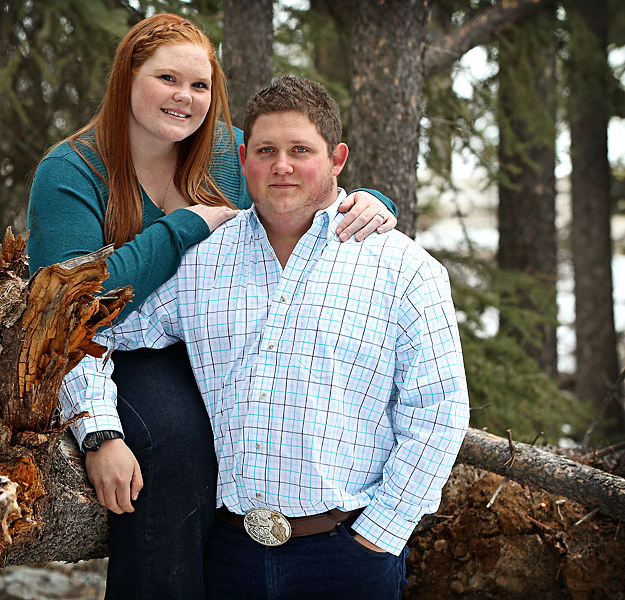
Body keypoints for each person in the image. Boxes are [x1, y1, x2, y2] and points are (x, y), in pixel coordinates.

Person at [28, 14, 399, 599]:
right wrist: (182, 229)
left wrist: (372, 202)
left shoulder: (227, 150)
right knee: (178, 445)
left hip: (216, 338)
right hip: (109, 348)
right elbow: (69, 302)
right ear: (127, 78)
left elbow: (305, 179)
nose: (185, 98)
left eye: (199, 86)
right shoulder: (71, 171)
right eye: (167, 79)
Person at [60, 75, 469, 599]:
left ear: (337, 158)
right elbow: (91, 333)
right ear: (243, 157)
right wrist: (99, 431)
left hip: (347, 556)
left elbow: (438, 409)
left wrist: (380, 533)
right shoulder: (202, 263)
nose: (282, 166)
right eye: (266, 150)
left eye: (301, 150)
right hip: (230, 556)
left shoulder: (402, 269)